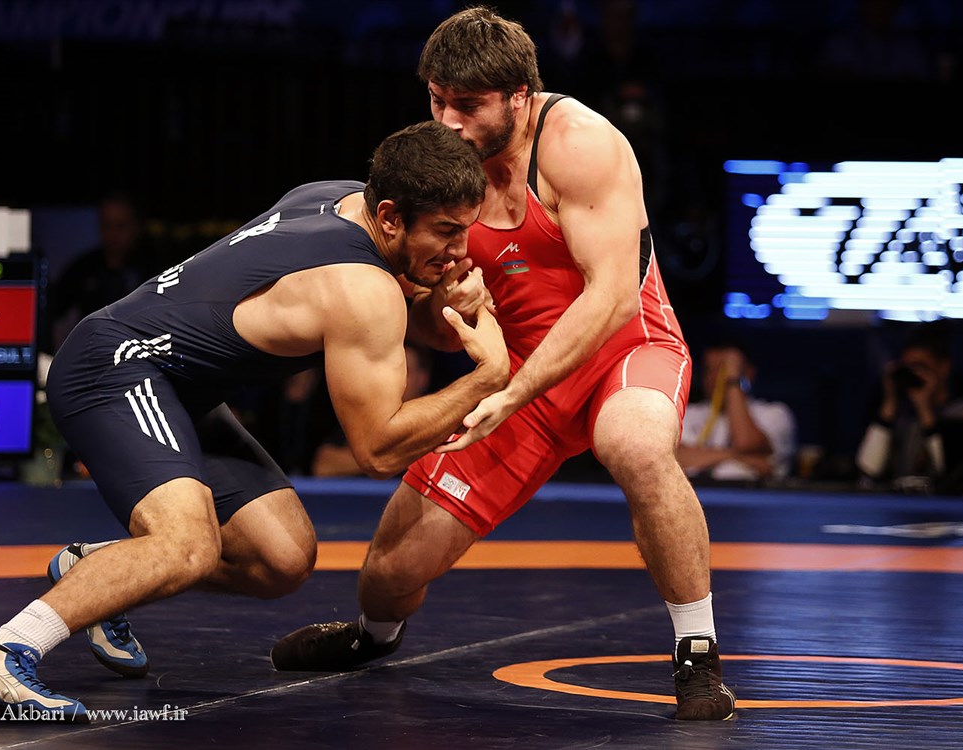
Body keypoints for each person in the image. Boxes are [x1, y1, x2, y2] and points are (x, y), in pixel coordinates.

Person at [0, 121, 510, 722]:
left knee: (281, 559)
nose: (460, 251)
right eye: (446, 232)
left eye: (465, 231)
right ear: (390, 217)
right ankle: (0, 657)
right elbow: (378, 450)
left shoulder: (336, 197)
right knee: (187, 544)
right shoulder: (364, 288)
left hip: (179, 385)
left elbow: (397, 317)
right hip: (115, 368)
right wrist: (486, 378)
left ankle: (94, 568)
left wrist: (445, 302)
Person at [271, 7, 736, 721]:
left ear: (520, 96)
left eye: (467, 105)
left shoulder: (579, 144)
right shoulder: (436, 167)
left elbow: (612, 297)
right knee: (390, 572)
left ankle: (697, 653)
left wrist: (512, 391)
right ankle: (374, 636)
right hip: (515, 379)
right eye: (437, 101)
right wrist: (448, 307)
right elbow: (429, 327)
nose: (448, 122)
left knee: (635, 446)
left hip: (623, 351)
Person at [856, 324, 963, 493]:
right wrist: (889, 405)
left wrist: (925, 411)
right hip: (901, 504)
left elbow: (950, 475)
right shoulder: (900, 416)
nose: (914, 374)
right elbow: (868, 472)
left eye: (920, 366)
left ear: (943, 367)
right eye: (908, 368)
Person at [47, 193, 159, 353]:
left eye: (121, 226)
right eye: (107, 225)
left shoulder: (152, 272)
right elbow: (59, 325)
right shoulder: (79, 271)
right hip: (87, 356)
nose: (113, 234)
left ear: (137, 227)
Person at [677, 341, 797, 482]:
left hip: (753, 495)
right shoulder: (687, 413)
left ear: (748, 373)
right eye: (709, 370)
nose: (714, 378)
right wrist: (738, 457)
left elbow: (745, 443)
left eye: (722, 370)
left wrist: (733, 382)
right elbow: (675, 458)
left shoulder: (775, 414)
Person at [313, 343, 435, 477]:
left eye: (406, 371)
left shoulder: (434, 420)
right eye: (393, 370)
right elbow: (323, 465)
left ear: (422, 378)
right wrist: (383, 458)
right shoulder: (366, 415)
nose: (397, 377)